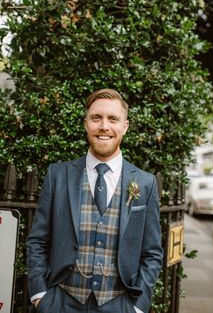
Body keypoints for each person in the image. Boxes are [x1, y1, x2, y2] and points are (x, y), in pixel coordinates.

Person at [27, 88, 163, 313]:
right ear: (85, 123)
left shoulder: (145, 183)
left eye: (113, 119)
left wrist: (138, 307)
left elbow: (152, 253)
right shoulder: (58, 175)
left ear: (125, 127)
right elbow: (38, 241)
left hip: (119, 304)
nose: (104, 126)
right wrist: (40, 295)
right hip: (60, 302)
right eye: (96, 118)